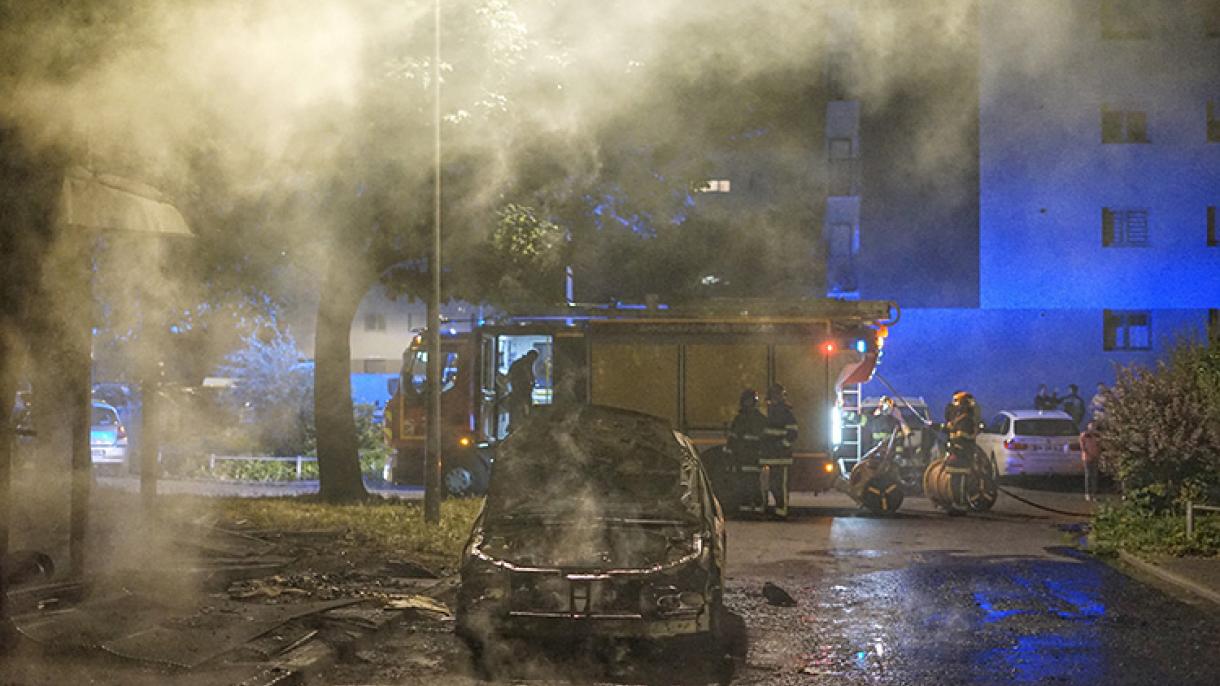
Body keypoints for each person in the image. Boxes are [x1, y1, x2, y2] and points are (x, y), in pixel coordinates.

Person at [727, 388, 768, 512]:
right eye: (747, 400)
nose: (748, 403)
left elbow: (764, 438)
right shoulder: (739, 419)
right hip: (741, 457)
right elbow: (732, 438)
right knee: (743, 482)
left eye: (750, 400)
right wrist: (730, 454)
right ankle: (745, 507)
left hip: (753, 456)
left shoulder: (759, 419)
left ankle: (756, 506)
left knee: (753, 481)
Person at [763, 384, 799, 516]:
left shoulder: (786, 413)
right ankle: (778, 509)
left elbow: (793, 433)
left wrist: (781, 444)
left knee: (781, 485)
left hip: (782, 456)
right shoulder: (771, 413)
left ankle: (782, 511)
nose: (772, 400)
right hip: (773, 455)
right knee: (773, 484)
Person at [506, 349, 539, 432]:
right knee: (522, 407)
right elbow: (528, 374)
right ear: (530, 356)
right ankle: (521, 427)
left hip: (519, 389)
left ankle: (515, 426)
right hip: (521, 389)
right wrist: (532, 381)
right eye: (533, 358)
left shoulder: (520, 363)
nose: (533, 360)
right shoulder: (524, 364)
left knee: (517, 408)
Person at [1079, 421, 1102, 501]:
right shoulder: (1084, 435)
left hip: (1096, 457)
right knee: (1088, 476)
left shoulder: (1098, 435)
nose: (1092, 427)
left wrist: (1098, 455)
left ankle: (1094, 494)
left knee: (1095, 476)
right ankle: (1087, 494)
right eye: (1091, 426)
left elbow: (1100, 445)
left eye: (1094, 426)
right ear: (1088, 427)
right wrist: (1089, 455)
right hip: (1087, 458)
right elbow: (1083, 447)